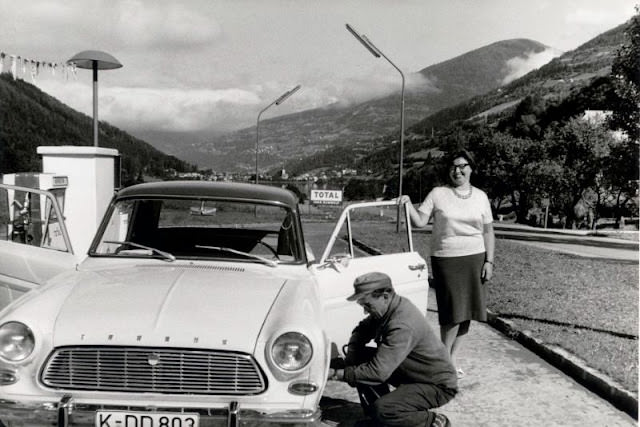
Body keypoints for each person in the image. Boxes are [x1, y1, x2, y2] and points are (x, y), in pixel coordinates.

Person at [399, 149, 495, 378]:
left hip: (475, 258)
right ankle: (443, 358)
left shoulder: (481, 196)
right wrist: (408, 204)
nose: (458, 170)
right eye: (453, 166)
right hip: (447, 258)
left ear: (471, 168)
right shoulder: (438, 193)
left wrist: (489, 261)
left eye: (463, 166)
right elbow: (421, 221)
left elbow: (489, 231)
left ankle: (452, 358)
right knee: (452, 312)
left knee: (468, 311)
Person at [328, 272, 457, 427]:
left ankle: (432, 421)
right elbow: (361, 330)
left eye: (368, 305)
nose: (365, 311)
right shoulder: (389, 309)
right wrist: (352, 353)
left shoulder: (401, 324)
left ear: (385, 296)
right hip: (411, 372)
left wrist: (335, 374)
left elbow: (377, 373)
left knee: (385, 409)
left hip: (435, 385)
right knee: (361, 358)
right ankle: (379, 420)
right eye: (363, 306)